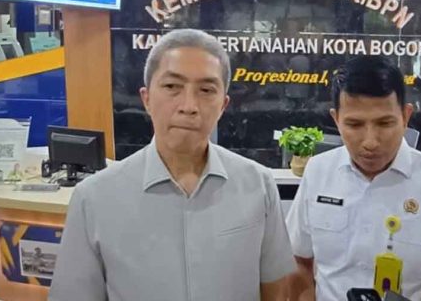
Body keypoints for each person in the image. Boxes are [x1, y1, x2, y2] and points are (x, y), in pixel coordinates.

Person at [50, 29, 296, 301]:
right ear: (146, 98)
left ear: (223, 105)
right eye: (171, 87)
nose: (189, 106)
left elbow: (275, 288)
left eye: (206, 90)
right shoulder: (94, 197)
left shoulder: (257, 185)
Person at [286, 56, 421, 301]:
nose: (370, 142)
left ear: (406, 116)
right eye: (354, 124)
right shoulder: (318, 172)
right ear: (336, 119)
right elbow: (298, 258)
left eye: (385, 123)